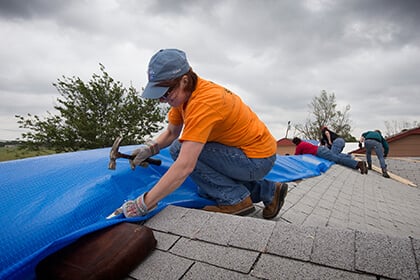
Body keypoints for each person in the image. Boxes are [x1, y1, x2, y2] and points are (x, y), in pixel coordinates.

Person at [118, 48, 288, 220]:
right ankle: (269, 191)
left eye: (165, 93)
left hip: (256, 160)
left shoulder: (204, 103)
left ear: (184, 80)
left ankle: (236, 201)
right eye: (159, 96)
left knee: (180, 151)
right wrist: (149, 148)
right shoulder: (183, 97)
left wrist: (143, 204)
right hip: (250, 152)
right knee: (205, 187)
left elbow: (185, 166)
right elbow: (171, 132)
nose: (162, 100)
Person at [292, 137, 368, 174]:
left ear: (296, 143)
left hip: (320, 152)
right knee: (337, 157)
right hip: (321, 150)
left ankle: (358, 164)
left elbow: (296, 155)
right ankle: (358, 164)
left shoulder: (300, 145)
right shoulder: (304, 143)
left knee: (337, 159)